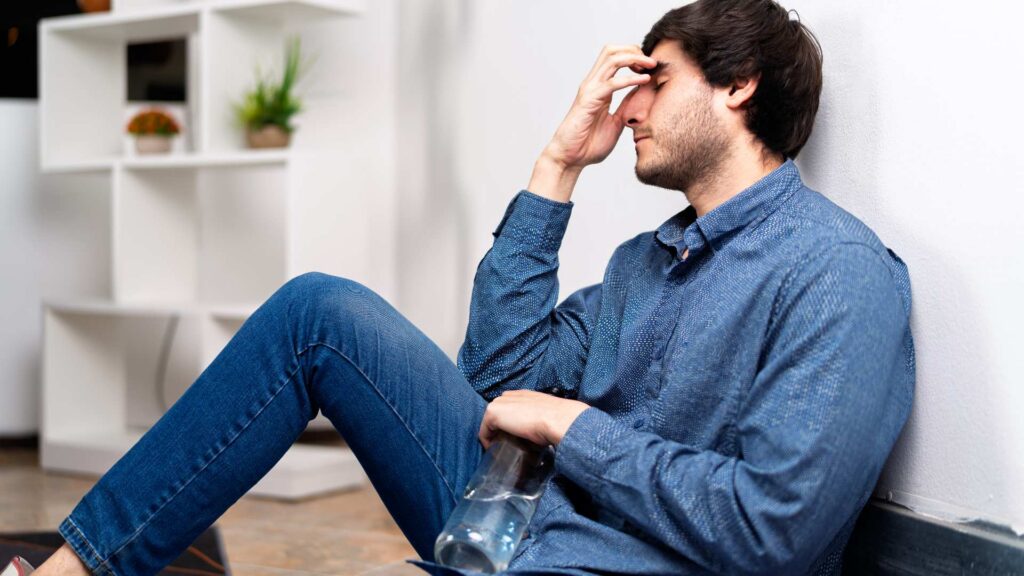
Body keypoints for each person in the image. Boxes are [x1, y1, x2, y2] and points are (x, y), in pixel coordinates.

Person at [21, 0, 914, 574]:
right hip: (517, 520)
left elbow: (776, 533)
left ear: (740, 86)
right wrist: (556, 166)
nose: (628, 107)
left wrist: (575, 427)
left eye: (655, 80)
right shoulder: (647, 261)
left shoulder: (836, 273)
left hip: (612, 563)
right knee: (316, 310)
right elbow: (494, 375)